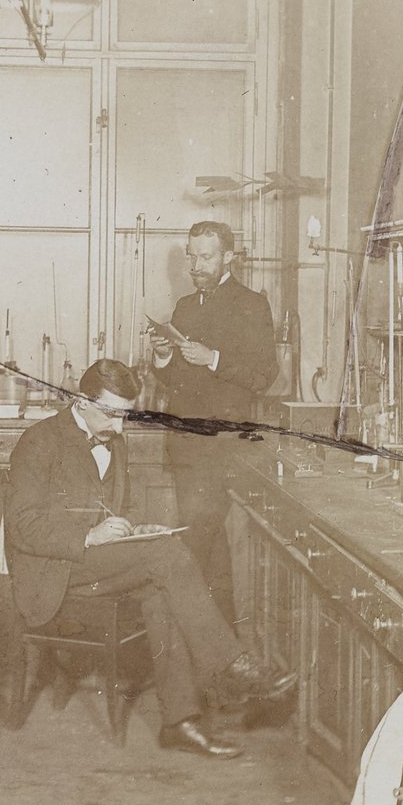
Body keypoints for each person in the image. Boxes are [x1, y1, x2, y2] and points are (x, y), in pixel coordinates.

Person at [3, 359, 294, 760]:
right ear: (82, 401)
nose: (120, 428)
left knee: (161, 586)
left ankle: (179, 722)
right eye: (112, 414)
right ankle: (235, 667)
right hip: (52, 572)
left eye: (125, 416)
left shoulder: (114, 441)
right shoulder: (39, 441)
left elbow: (117, 509)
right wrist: (88, 535)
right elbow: (22, 525)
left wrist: (136, 529)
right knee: (167, 557)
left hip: (97, 565)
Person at [149, 220, 278, 626]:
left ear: (228, 257)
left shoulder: (252, 304)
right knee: (208, 546)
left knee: (199, 543)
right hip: (187, 446)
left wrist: (214, 359)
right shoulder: (185, 307)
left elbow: (264, 376)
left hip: (224, 449)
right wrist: (163, 355)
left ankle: (197, 638)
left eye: (206, 257)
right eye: (192, 256)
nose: (196, 266)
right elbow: (174, 380)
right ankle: (218, 643)